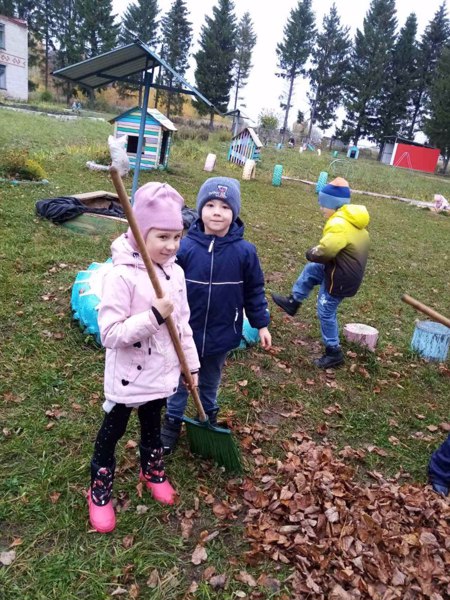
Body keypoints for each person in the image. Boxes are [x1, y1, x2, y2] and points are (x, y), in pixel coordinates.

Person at [88, 182, 200, 534]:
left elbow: (182, 324)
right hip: (129, 374)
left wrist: (190, 365)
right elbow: (110, 334)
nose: (171, 246)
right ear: (140, 233)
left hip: (161, 372)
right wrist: (152, 316)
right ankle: (99, 485)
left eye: (176, 237)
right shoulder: (120, 275)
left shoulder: (177, 273)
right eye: (162, 237)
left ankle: (151, 468)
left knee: (153, 423)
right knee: (114, 429)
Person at [161, 176, 272, 453]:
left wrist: (261, 325)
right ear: (200, 210)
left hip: (221, 332)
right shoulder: (184, 248)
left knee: (209, 380)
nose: (217, 212)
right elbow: (165, 283)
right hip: (186, 331)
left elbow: (255, 290)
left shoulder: (245, 252)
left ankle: (207, 417)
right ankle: (172, 422)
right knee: (179, 379)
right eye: (210, 204)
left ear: (234, 212)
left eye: (224, 206)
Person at [271, 177, 370, 369]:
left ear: (334, 204)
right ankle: (294, 302)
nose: (321, 208)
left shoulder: (339, 223)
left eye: (323, 204)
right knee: (312, 270)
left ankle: (333, 352)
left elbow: (326, 251)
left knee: (325, 311)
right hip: (339, 269)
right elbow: (336, 247)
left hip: (340, 278)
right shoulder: (352, 221)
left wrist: (312, 252)